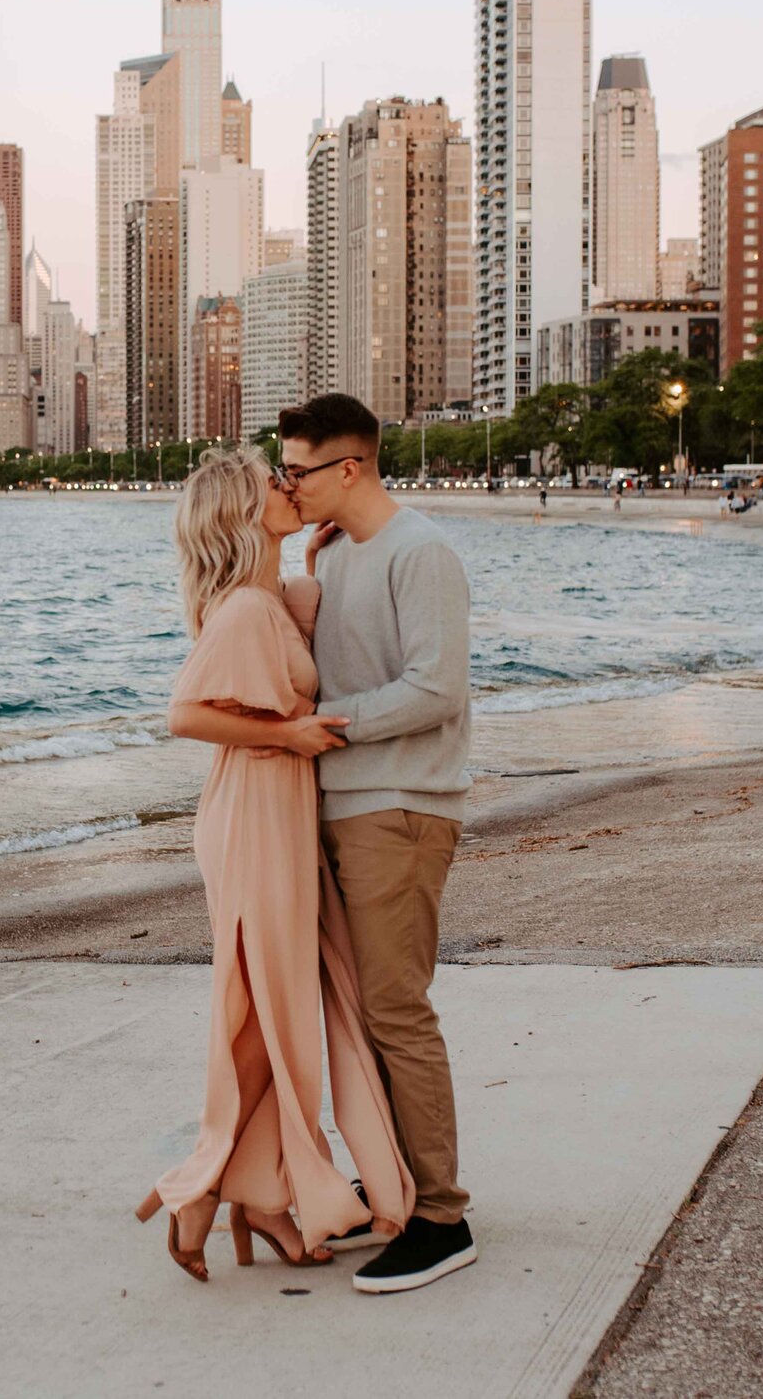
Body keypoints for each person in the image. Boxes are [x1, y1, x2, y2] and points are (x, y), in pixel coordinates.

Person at [140, 444, 414, 1284]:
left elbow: (305, 628)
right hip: (256, 809)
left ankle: (258, 1191)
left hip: (276, 809)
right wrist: (287, 733)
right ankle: (205, 1187)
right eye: (273, 481)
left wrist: (316, 544)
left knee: (276, 1008)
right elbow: (185, 714)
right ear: (242, 508)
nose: (288, 485)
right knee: (263, 1012)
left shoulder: (263, 598)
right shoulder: (245, 614)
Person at [276, 393, 478, 1296]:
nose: (289, 483)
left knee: (397, 1007)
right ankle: (395, 1182)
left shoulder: (420, 551)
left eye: (299, 469)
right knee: (366, 1011)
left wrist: (333, 724)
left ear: (348, 466)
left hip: (400, 806)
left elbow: (437, 688)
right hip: (347, 803)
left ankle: (443, 1215)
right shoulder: (339, 551)